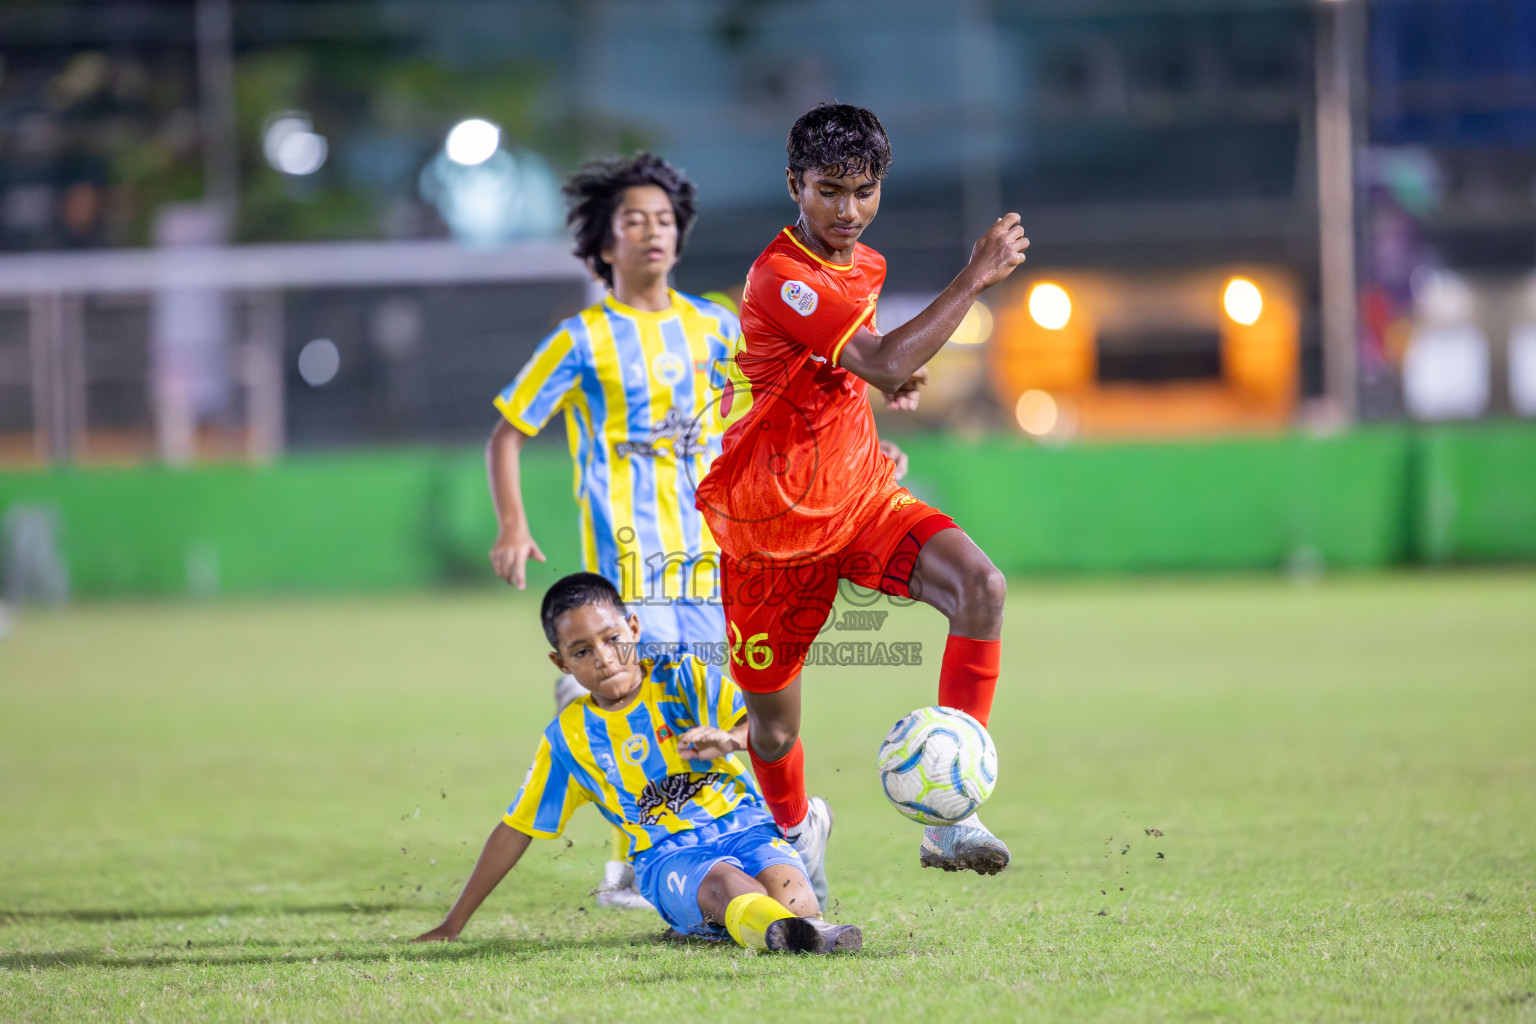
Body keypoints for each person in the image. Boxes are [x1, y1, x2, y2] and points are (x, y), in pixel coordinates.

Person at [487, 152, 905, 907]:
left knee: (735, 714)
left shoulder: (716, 324)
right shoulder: (582, 339)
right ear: (603, 243)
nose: (653, 232)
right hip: (630, 569)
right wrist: (512, 526)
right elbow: (508, 432)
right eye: (633, 220)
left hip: (723, 556)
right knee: (624, 701)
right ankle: (649, 859)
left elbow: (796, 394)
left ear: (679, 238)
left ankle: (785, 826)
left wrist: (860, 453)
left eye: (665, 220)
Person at [694, 103, 1030, 880]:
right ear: (794, 186)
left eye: (864, 191)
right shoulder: (781, 276)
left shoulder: (866, 266)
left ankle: (952, 819)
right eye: (829, 191)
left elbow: (851, 367)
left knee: (981, 586)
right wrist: (974, 276)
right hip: (768, 531)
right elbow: (872, 356)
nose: (848, 211)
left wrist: (887, 385)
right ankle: (796, 827)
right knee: (772, 733)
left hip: (861, 499)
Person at [411, 573, 862, 955]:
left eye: (612, 640)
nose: (604, 659)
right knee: (732, 888)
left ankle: (780, 919)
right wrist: (454, 923)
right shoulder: (569, 738)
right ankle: (784, 930)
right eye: (582, 651)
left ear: (633, 627)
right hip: (670, 856)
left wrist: (728, 739)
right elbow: (517, 827)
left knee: (794, 899)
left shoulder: (683, 676)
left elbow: (762, 731)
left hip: (746, 825)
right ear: (561, 662)